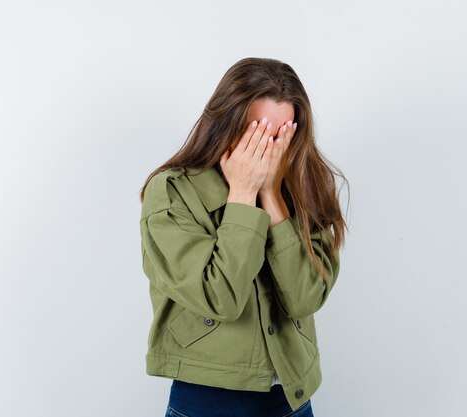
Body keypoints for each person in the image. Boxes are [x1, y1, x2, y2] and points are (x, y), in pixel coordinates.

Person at [139, 57, 348, 417]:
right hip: (206, 402)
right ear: (226, 124)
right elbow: (218, 298)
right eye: (257, 132)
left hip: (291, 402)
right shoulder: (173, 192)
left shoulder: (306, 187)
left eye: (282, 134)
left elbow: (305, 298)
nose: (268, 147)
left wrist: (272, 197)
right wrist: (242, 194)